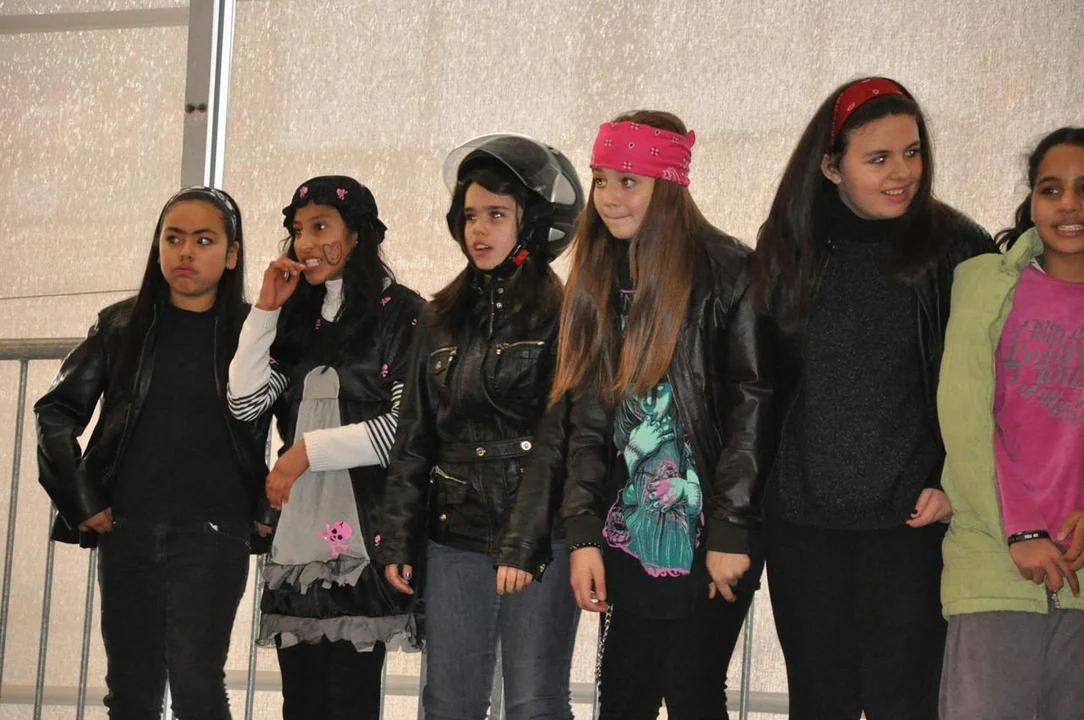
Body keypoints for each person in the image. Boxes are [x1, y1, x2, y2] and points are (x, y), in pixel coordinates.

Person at [751, 76, 996, 719]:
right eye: (879, 158)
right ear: (831, 167)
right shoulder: (787, 245)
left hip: (911, 523)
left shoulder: (959, 249)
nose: (902, 173)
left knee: (906, 703)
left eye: (912, 152)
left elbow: (989, 387)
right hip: (803, 524)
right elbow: (759, 388)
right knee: (818, 703)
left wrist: (953, 481)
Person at [542, 110, 773, 719]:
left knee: (691, 689)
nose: (609, 198)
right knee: (624, 694)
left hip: (710, 529)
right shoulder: (598, 274)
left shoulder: (730, 270)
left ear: (668, 184)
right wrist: (583, 531)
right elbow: (587, 423)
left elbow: (753, 407)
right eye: (601, 179)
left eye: (629, 181)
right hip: (628, 527)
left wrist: (731, 528)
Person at [35, 186, 270, 719]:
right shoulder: (120, 325)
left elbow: (298, 422)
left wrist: (268, 508)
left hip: (215, 533)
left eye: (204, 240)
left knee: (197, 687)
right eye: (173, 238)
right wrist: (81, 499)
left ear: (231, 254)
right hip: (128, 529)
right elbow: (55, 412)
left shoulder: (257, 332)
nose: (186, 252)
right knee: (131, 692)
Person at [379, 134, 584, 720]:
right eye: (470, 215)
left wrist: (524, 542)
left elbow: (559, 442)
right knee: (447, 704)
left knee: (535, 703)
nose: (479, 229)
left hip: (542, 537)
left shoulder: (567, 314)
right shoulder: (438, 318)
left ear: (530, 221)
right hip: (454, 535)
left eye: (496, 214)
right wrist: (398, 537)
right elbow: (413, 437)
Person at [227, 176, 423, 720]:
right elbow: (244, 404)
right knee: (302, 700)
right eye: (298, 231)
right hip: (298, 538)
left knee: (349, 698)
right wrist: (265, 310)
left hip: (366, 532)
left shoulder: (401, 312)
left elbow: (404, 428)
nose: (306, 243)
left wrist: (306, 452)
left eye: (321, 227)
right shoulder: (295, 317)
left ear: (357, 234)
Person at [938, 127, 1084, 720]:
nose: (1069, 204)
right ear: (1031, 199)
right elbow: (966, 418)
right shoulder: (985, 286)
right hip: (994, 561)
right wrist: (1021, 531)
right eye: (1052, 189)